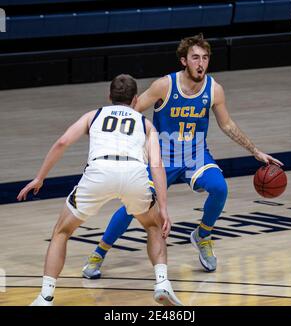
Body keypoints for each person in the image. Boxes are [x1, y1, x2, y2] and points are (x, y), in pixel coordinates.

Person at [82, 33, 283, 279]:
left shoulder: (214, 89)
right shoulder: (164, 86)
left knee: (220, 188)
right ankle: (99, 253)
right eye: (195, 57)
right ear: (183, 61)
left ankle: (203, 235)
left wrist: (255, 151)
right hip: (162, 158)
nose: (201, 63)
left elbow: (227, 124)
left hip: (196, 155)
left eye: (205, 58)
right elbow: (129, 112)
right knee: (131, 207)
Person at [17, 74, 182, 306]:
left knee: (61, 232)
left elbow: (63, 142)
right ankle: (162, 283)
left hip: (99, 171)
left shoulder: (93, 115)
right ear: (135, 100)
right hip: (133, 172)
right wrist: (163, 207)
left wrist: (39, 177)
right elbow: (156, 165)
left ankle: (46, 295)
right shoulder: (146, 124)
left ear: (109, 96)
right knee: (154, 225)